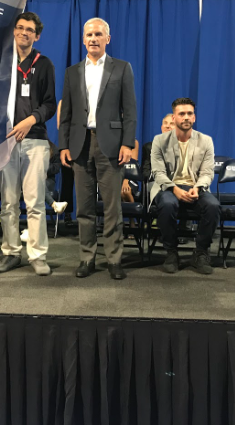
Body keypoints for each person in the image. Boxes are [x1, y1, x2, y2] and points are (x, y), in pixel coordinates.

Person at [59, 17, 137, 280]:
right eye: (89, 34)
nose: (93, 38)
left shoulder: (122, 68)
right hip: (79, 145)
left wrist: (127, 143)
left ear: (108, 39)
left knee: (112, 208)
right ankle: (87, 258)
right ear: (83, 39)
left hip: (112, 146)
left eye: (98, 34)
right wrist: (63, 146)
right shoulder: (71, 72)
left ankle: (114, 259)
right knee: (84, 207)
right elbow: (66, 114)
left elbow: (130, 111)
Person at [0, 12, 57, 276]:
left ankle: (37, 255)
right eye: (19, 28)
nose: (24, 32)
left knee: (34, 203)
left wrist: (30, 120)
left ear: (37, 35)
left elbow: (50, 104)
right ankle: (10, 253)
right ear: (14, 32)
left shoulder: (43, 64)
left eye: (29, 29)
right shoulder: (1, 63)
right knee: (8, 203)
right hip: (6, 142)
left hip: (35, 140)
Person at [150, 98, 219, 274]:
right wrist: (175, 189)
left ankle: (201, 252)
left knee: (213, 205)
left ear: (194, 118)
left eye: (190, 113)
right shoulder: (159, 140)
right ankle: (171, 252)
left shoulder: (206, 141)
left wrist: (199, 187)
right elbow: (158, 173)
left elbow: (207, 172)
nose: (186, 117)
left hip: (196, 187)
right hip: (168, 187)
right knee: (167, 204)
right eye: (182, 114)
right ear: (174, 118)